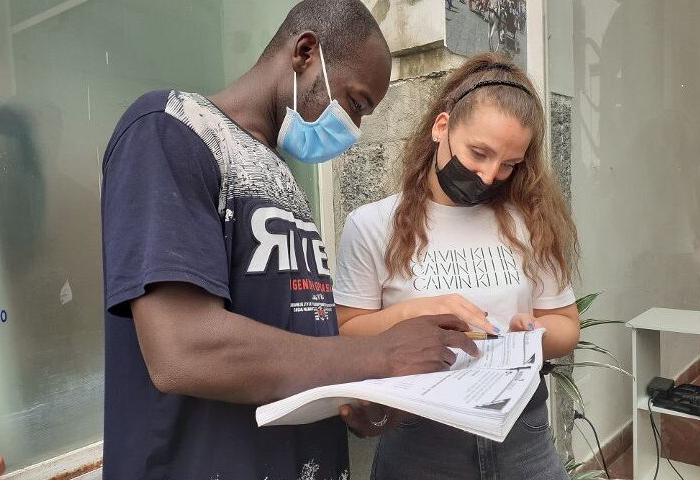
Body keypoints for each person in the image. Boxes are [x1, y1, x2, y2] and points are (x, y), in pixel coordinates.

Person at [100, 1, 484, 479]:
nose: (355, 129)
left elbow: (300, 350)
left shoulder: (283, 180)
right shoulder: (170, 129)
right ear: (305, 52)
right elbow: (184, 351)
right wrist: (379, 352)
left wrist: (364, 391)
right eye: (356, 103)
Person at [334, 52, 580, 480]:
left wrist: (532, 335)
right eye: (479, 153)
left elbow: (565, 325)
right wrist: (419, 311)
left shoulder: (530, 223)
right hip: (418, 435)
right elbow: (348, 331)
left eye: (509, 164)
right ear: (441, 127)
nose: (488, 176)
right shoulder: (373, 225)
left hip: (521, 433)